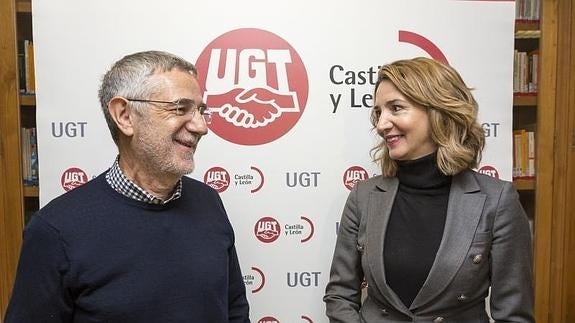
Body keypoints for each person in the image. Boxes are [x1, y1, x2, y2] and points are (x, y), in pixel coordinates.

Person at [5, 50, 251, 323]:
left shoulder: (209, 201)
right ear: (124, 116)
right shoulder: (55, 229)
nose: (201, 126)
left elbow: (234, 307)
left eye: (201, 110)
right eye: (181, 108)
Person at [324, 57, 534, 322]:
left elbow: (514, 316)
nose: (381, 124)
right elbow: (340, 295)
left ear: (438, 111)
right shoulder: (363, 196)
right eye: (378, 112)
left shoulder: (497, 201)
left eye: (396, 108)